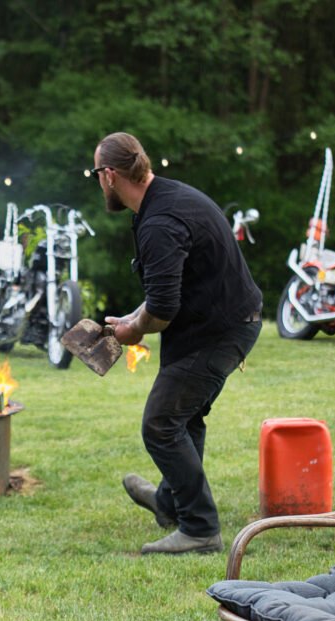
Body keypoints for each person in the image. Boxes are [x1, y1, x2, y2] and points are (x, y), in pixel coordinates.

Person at [91, 131, 262, 555]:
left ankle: (201, 528)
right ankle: (170, 503)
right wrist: (133, 316)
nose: (97, 181)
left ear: (110, 175)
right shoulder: (165, 198)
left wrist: (133, 329)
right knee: (184, 418)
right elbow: (170, 288)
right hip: (215, 322)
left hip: (220, 330)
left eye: (95, 173)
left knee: (161, 424)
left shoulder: (160, 222)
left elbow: (164, 308)